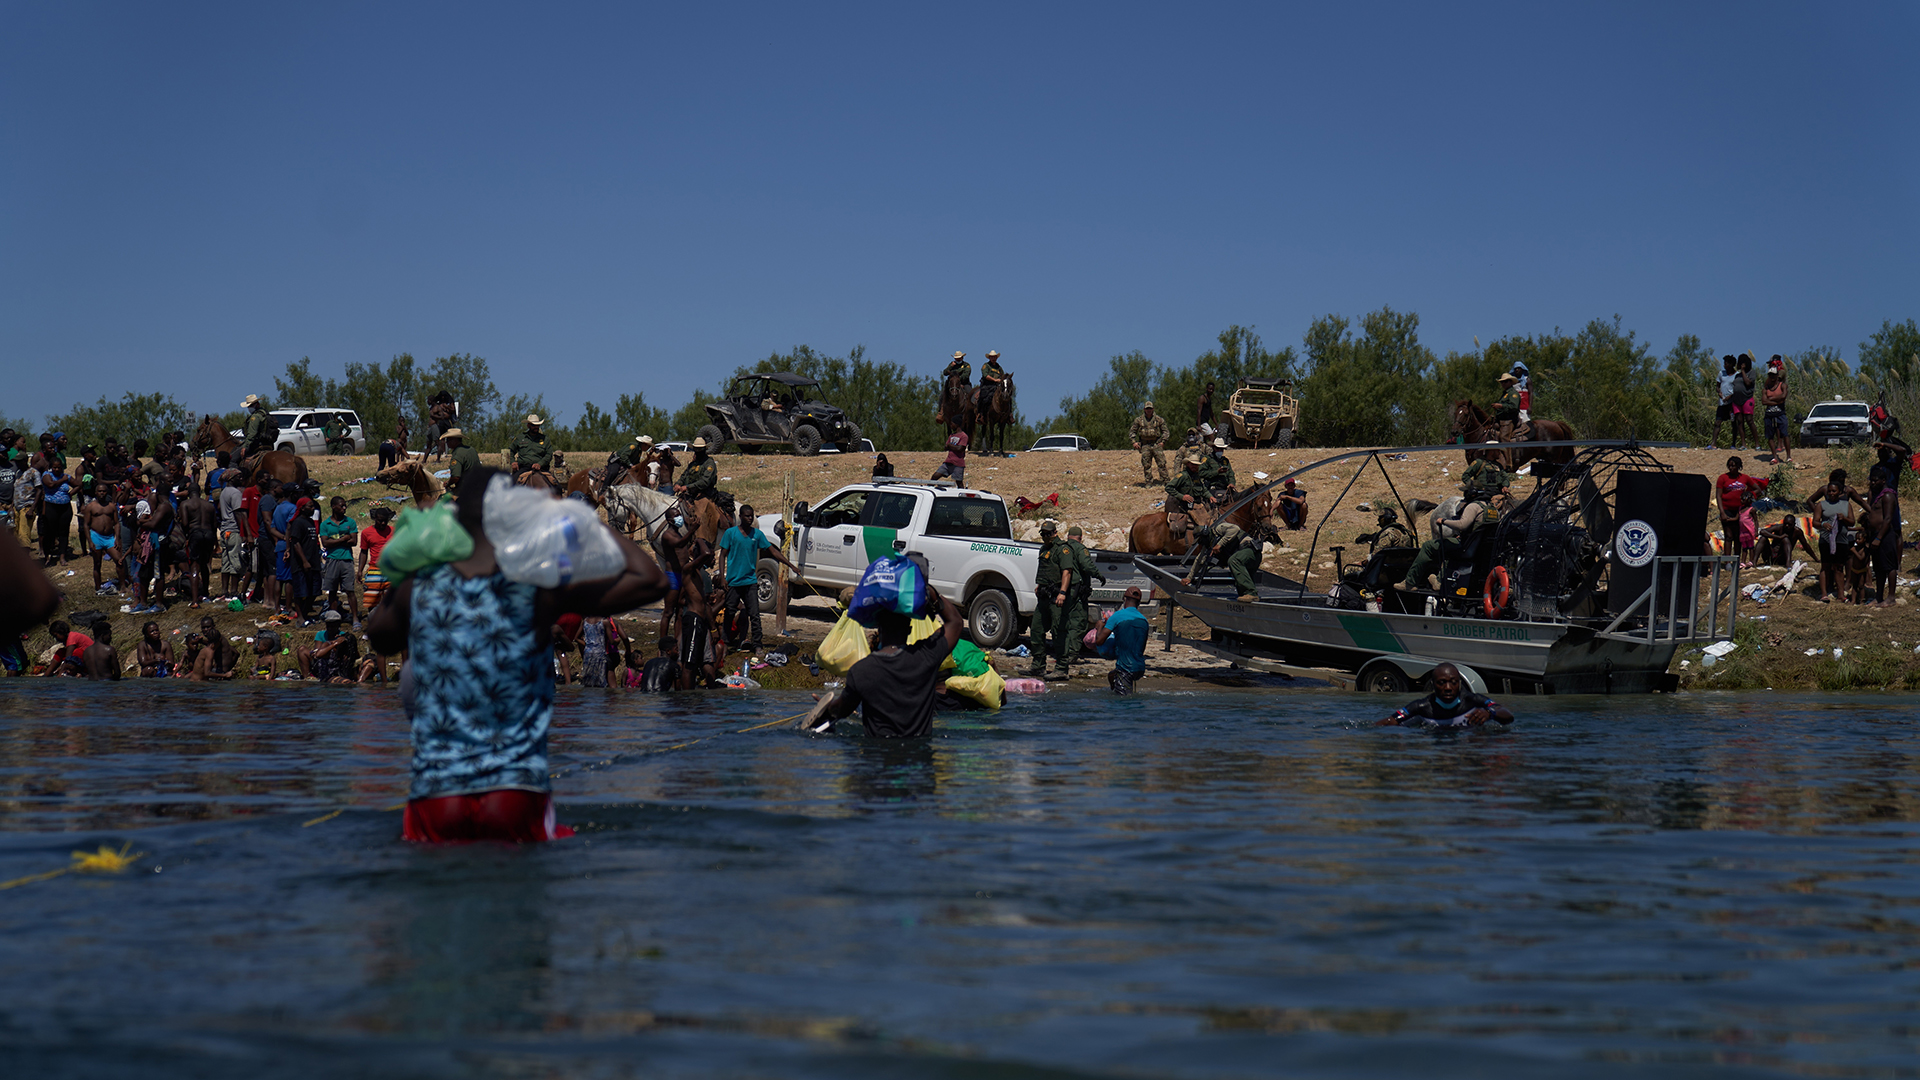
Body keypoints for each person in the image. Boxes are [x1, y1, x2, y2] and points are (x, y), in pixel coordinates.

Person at [367, 466, 665, 843]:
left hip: (437, 795)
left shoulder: (420, 584)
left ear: (455, 516)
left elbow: (378, 637)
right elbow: (650, 579)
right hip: (514, 793)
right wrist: (577, 519)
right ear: (517, 515)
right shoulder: (536, 587)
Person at [812, 578, 963, 738]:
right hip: (919, 758)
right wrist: (930, 592)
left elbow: (840, 710)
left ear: (879, 627)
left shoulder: (861, 671)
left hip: (876, 758)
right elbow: (956, 622)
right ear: (909, 628)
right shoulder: (926, 657)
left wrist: (826, 708)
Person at [717, 503, 800, 654]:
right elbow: (722, 555)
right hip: (733, 581)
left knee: (754, 614)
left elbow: (773, 551)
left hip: (750, 582)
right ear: (740, 517)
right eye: (747, 516)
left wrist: (790, 565)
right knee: (729, 613)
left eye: (751, 516)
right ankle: (725, 643)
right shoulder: (731, 533)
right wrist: (723, 578)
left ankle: (757, 644)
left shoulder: (757, 535)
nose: (749, 519)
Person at [1377, 663, 1513, 728]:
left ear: (1459, 683)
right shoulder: (1421, 706)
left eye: (1453, 683)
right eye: (1442, 683)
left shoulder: (1473, 700)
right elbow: (1390, 721)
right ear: (1433, 684)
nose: (1448, 688)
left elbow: (1508, 715)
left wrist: (1490, 714)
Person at [1025, 519, 1077, 679]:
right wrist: (1039, 585)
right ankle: (1038, 665)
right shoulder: (1043, 549)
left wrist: (1062, 592)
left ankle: (1061, 668)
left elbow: (1066, 572)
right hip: (1044, 595)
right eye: (1043, 534)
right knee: (1036, 629)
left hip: (1056, 596)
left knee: (1058, 631)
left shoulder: (1063, 550)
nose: (1046, 537)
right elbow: (1044, 569)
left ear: (1055, 533)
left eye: (1049, 533)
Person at [1400, 496, 1485, 591]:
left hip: (1466, 546)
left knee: (1428, 546)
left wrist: (1444, 521)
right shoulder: (1490, 509)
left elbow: (1462, 525)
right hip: (1478, 547)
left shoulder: (1473, 506)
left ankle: (1411, 582)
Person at [1185, 518, 1264, 603]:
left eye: (1200, 540)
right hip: (1244, 558)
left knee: (1233, 561)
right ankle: (1248, 597)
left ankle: (1251, 593)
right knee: (1240, 582)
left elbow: (1235, 529)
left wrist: (1220, 544)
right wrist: (1189, 578)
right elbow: (1199, 560)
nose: (1201, 543)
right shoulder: (1209, 546)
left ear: (1205, 535)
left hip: (1251, 551)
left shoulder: (1218, 529)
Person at [1092, 586, 1151, 694]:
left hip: (1125, 668)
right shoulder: (1144, 620)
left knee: (1124, 703)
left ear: (1124, 599)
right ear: (1139, 602)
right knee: (1112, 676)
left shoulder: (1117, 616)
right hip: (1140, 668)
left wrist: (1099, 626)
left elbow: (1099, 641)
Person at [1063, 524, 1102, 663]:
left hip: (1062, 591)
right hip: (1076, 592)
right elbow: (1087, 566)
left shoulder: (1062, 548)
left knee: (1064, 622)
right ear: (1080, 538)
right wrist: (1099, 576)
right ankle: (1072, 655)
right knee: (1078, 623)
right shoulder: (1080, 549)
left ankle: (1064, 652)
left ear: (1068, 537)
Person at [319, 496, 361, 625]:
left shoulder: (350, 522)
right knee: (332, 590)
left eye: (345, 505)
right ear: (333, 507)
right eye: (341, 505)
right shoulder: (325, 524)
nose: (344, 508)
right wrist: (343, 539)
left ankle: (355, 618)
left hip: (346, 560)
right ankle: (334, 618)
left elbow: (353, 541)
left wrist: (334, 541)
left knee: (350, 590)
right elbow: (325, 543)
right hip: (332, 560)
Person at [1813, 478, 1855, 603]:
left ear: (1839, 492)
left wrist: (1844, 519)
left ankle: (1841, 594)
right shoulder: (1821, 505)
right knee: (1825, 566)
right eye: (1829, 491)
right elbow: (1815, 522)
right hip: (1826, 540)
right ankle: (1824, 593)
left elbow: (1852, 522)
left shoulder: (1846, 505)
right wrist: (1823, 524)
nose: (1831, 493)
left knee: (1838, 567)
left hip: (1841, 540)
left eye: (1834, 491)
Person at [1864, 468, 1902, 607]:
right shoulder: (1876, 495)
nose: (1873, 483)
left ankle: (1891, 597)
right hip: (1875, 534)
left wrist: (1879, 538)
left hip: (1885, 535)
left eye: (1875, 481)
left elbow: (1887, 519)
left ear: (1883, 481)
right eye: (1871, 481)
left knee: (1889, 566)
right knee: (1879, 567)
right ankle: (1878, 596)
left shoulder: (1888, 496)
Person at [179, 480, 217, 608]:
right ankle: (205, 593)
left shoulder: (185, 504)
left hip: (195, 533)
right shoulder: (209, 505)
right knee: (205, 564)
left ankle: (195, 600)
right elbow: (214, 524)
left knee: (194, 566)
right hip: (209, 534)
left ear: (189, 493)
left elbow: (184, 523)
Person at [285, 495, 322, 622]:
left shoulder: (311, 522)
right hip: (301, 563)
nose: (312, 509)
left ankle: (305, 613)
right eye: (310, 506)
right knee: (301, 592)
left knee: (314, 590)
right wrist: (304, 561)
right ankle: (300, 617)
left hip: (313, 561)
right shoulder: (298, 523)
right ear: (302, 508)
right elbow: (295, 542)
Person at [298, 609, 361, 683]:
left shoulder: (343, 636)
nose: (331, 628)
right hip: (320, 660)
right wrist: (333, 643)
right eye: (329, 625)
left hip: (335, 663)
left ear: (338, 624)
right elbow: (317, 653)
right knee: (302, 650)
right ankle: (307, 677)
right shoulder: (321, 634)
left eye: (333, 625)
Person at [217, 467, 249, 602]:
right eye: (238, 477)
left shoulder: (224, 492)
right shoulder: (235, 493)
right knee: (236, 561)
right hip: (234, 529)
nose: (241, 479)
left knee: (226, 561)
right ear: (231, 478)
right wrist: (245, 533)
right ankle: (234, 590)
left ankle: (224, 590)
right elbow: (238, 513)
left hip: (224, 530)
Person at [81, 485, 120, 592]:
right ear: (96, 492)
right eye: (99, 491)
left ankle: (123, 586)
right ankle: (98, 588)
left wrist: (117, 538)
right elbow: (86, 525)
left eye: (104, 491)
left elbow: (116, 523)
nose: (102, 493)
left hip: (109, 537)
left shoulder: (111, 506)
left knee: (119, 560)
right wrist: (90, 541)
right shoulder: (91, 506)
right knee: (97, 563)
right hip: (96, 536)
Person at [358, 504, 396, 614]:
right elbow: (363, 551)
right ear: (375, 519)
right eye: (380, 521)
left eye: (385, 521)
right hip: (374, 569)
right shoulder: (366, 533)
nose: (383, 523)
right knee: (372, 600)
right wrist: (360, 570)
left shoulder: (394, 531)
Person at [37, 463, 75, 565]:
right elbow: (51, 484)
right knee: (49, 531)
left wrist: (70, 493)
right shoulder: (47, 475)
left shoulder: (67, 476)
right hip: (51, 505)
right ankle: (47, 555)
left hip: (65, 507)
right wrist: (63, 480)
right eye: (55, 467)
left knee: (64, 532)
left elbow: (78, 484)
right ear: (51, 468)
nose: (57, 469)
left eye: (59, 467)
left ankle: (62, 556)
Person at [1713, 457, 1751, 556]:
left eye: (1733, 466)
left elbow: (1757, 489)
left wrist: (1749, 497)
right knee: (1728, 535)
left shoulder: (1745, 478)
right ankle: (1727, 560)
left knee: (1738, 535)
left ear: (1739, 466)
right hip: (1727, 509)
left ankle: (1737, 558)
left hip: (1740, 510)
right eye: (1729, 465)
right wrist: (1722, 512)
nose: (1731, 468)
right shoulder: (1723, 478)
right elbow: (1718, 495)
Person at [1129, 402, 1170, 486]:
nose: (1148, 410)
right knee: (1146, 464)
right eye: (1147, 409)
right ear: (1144, 409)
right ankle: (1148, 482)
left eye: (1150, 409)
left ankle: (1166, 482)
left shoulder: (1159, 419)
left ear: (1153, 409)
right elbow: (1132, 431)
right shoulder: (1139, 420)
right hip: (1145, 445)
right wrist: (1134, 442)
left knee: (1161, 463)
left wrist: (1163, 441)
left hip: (1156, 444)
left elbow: (1166, 431)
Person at [508, 414, 555, 484]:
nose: (536, 427)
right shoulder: (520, 438)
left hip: (541, 469)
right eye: (534, 425)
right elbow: (511, 451)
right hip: (523, 468)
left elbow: (549, 454)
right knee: (510, 485)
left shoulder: (545, 439)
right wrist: (513, 462)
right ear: (528, 425)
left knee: (557, 487)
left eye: (538, 425)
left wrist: (540, 464)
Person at [1762, 364, 1792, 463]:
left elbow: (1783, 397)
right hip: (1769, 415)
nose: (1772, 377)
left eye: (1773, 375)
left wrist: (1770, 399)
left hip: (1780, 414)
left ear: (1777, 375)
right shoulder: (1766, 388)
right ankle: (1774, 456)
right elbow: (1764, 401)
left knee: (1784, 433)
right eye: (1770, 375)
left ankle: (1788, 456)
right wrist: (1776, 401)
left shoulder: (1782, 385)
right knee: (1770, 435)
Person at [675, 437, 719, 504]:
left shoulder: (709, 463)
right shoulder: (692, 464)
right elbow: (684, 475)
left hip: (705, 494)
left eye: (700, 449)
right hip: (689, 494)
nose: (698, 451)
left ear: (704, 449)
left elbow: (705, 481)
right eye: (696, 449)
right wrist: (678, 484)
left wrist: (688, 487)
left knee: (699, 512)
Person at [1710, 355, 1737, 450]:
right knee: (1717, 422)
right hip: (1722, 402)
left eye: (1726, 363)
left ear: (1731, 364)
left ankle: (1733, 443)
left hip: (1731, 403)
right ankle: (1713, 443)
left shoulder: (1736, 375)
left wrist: (1730, 396)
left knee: (1733, 423)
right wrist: (1719, 393)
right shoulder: (1721, 373)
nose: (1724, 365)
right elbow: (1717, 386)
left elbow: (1737, 389)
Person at [1491, 373, 1526, 440]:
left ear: (1510, 382)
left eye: (1505, 381)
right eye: (1502, 382)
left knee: (1504, 438)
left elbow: (1514, 407)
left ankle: (1507, 450)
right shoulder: (1505, 394)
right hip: (1500, 420)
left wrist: (1501, 406)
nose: (1503, 383)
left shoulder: (1513, 394)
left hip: (1509, 421)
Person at [427, 390, 457, 460]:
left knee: (451, 436)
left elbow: (453, 410)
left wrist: (446, 407)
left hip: (448, 420)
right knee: (442, 437)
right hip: (441, 421)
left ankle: (454, 450)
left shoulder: (450, 401)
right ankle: (444, 452)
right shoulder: (438, 402)